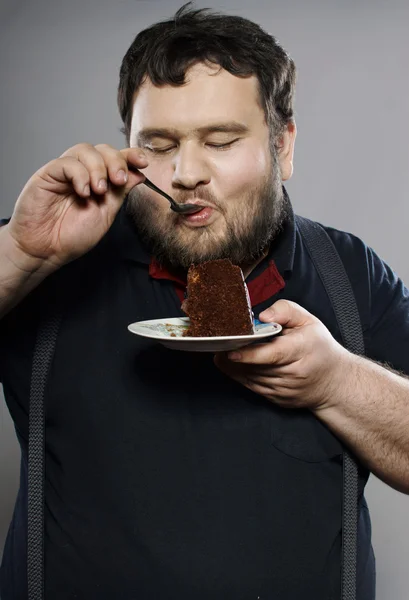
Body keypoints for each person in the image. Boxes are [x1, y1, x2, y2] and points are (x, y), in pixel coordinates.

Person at [1, 3, 408, 599]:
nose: (188, 171)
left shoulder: (350, 274)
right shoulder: (48, 261)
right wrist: (20, 254)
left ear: (283, 145)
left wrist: (336, 382)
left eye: (220, 140)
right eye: (159, 144)